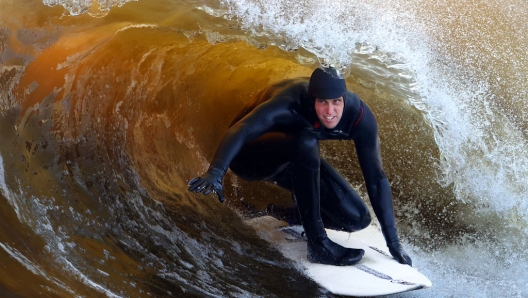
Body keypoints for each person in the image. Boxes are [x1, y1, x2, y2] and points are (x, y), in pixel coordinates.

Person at [188, 66, 412, 267]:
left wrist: (393, 242)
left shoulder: (359, 117)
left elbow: (376, 179)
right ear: (312, 98)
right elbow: (243, 129)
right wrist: (216, 171)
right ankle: (318, 245)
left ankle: (288, 213)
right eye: (322, 102)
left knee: (356, 218)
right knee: (306, 142)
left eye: (336, 101)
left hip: (294, 160)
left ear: (344, 98)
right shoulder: (289, 102)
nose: (330, 111)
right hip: (249, 158)